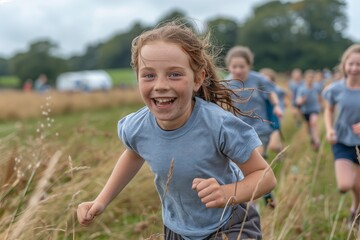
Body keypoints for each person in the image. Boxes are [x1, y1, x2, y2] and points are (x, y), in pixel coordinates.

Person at [77, 22, 276, 240]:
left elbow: (265, 177)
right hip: (177, 228)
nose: (160, 85)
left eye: (174, 74)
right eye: (149, 75)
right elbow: (133, 155)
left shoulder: (218, 124)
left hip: (230, 223)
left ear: (198, 79)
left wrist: (227, 193)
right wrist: (101, 200)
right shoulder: (137, 126)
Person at [224, 46, 282, 209]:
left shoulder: (258, 79)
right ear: (229, 66)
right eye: (234, 67)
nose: (238, 70)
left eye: (242, 66)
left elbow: (272, 93)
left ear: (249, 66)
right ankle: (268, 194)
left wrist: (277, 106)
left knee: (253, 168)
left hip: (260, 129)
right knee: (242, 171)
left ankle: (251, 209)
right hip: (237, 132)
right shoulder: (227, 83)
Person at [322, 44, 360, 227]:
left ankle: (355, 211)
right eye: (351, 63)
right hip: (342, 140)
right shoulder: (335, 89)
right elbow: (328, 110)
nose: (354, 68)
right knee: (345, 185)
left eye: (358, 64)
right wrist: (329, 129)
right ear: (344, 64)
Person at [260, 68, 287, 153]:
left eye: (268, 80)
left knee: (273, 146)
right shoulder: (257, 92)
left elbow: (283, 95)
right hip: (261, 122)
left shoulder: (275, 90)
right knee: (262, 150)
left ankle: (281, 150)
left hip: (273, 119)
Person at [296, 69, 321, 150]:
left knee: (313, 122)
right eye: (309, 77)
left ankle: (317, 141)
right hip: (305, 110)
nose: (310, 79)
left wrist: (322, 104)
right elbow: (298, 100)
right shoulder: (302, 89)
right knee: (309, 128)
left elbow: (321, 96)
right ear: (305, 78)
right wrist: (301, 100)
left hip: (315, 109)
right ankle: (313, 140)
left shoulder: (317, 86)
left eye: (312, 78)